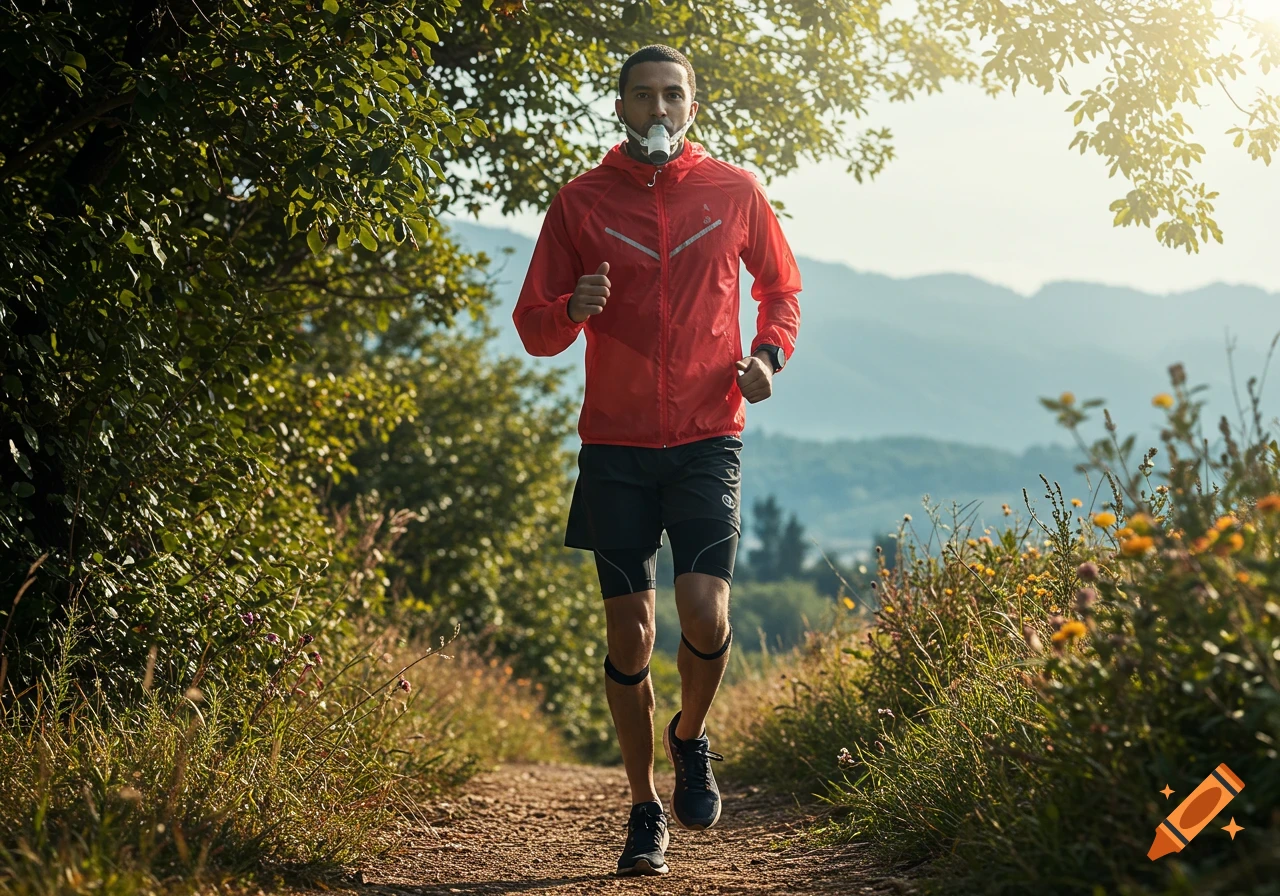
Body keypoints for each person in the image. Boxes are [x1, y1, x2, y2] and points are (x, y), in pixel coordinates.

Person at [512, 44, 801, 876]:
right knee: (632, 634)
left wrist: (768, 357)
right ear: (620, 108)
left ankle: (690, 737)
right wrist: (573, 307)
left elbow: (780, 289)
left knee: (705, 611)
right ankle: (643, 808)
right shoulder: (581, 201)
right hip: (615, 445)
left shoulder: (734, 190)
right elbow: (534, 327)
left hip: (709, 434)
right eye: (643, 95)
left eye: (673, 95)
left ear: (692, 108)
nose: (658, 109)